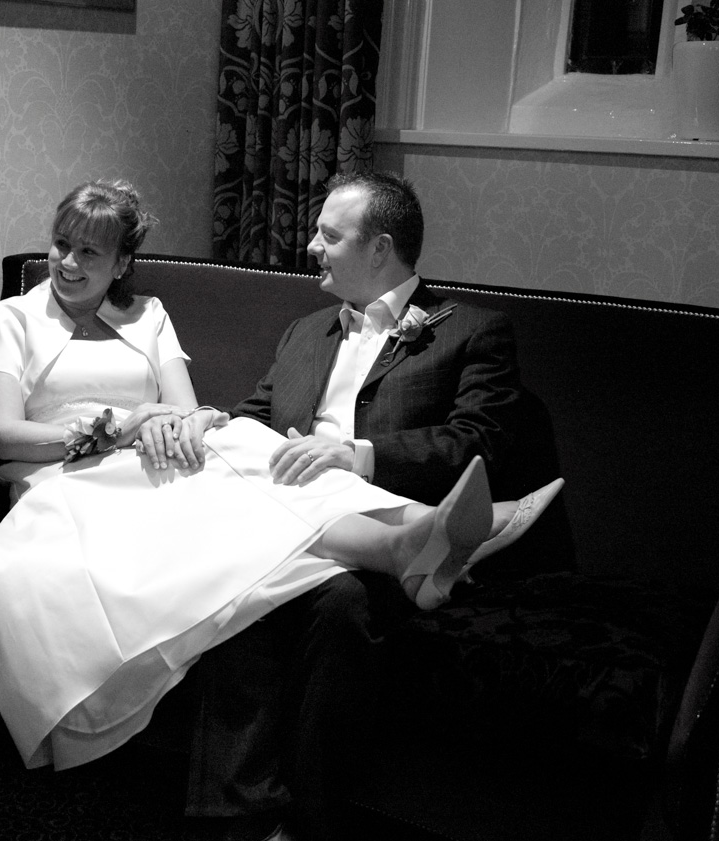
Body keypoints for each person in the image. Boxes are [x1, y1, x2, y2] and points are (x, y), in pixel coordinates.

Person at [0, 179, 559, 777]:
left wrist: (192, 426)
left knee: (239, 490)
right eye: (62, 244)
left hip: (164, 469)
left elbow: (193, 414)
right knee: (241, 461)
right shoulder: (11, 319)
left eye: (89, 250)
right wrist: (132, 428)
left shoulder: (467, 329)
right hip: (74, 477)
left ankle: (412, 539)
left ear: (122, 264)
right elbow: (7, 434)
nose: (67, 261)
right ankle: (413, 539)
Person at [180, 171, 562, 841]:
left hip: (367, 528)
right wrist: (211, 424)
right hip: (284, 519)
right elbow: (254, 419)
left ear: (380, 248)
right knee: (239, 581)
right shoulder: (303, 332)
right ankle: (242, 823)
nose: (310, 246)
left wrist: (357, 455)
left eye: (329, 235)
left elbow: (479, 443)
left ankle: (300, 823)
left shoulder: (471, 331)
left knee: (338, 606)